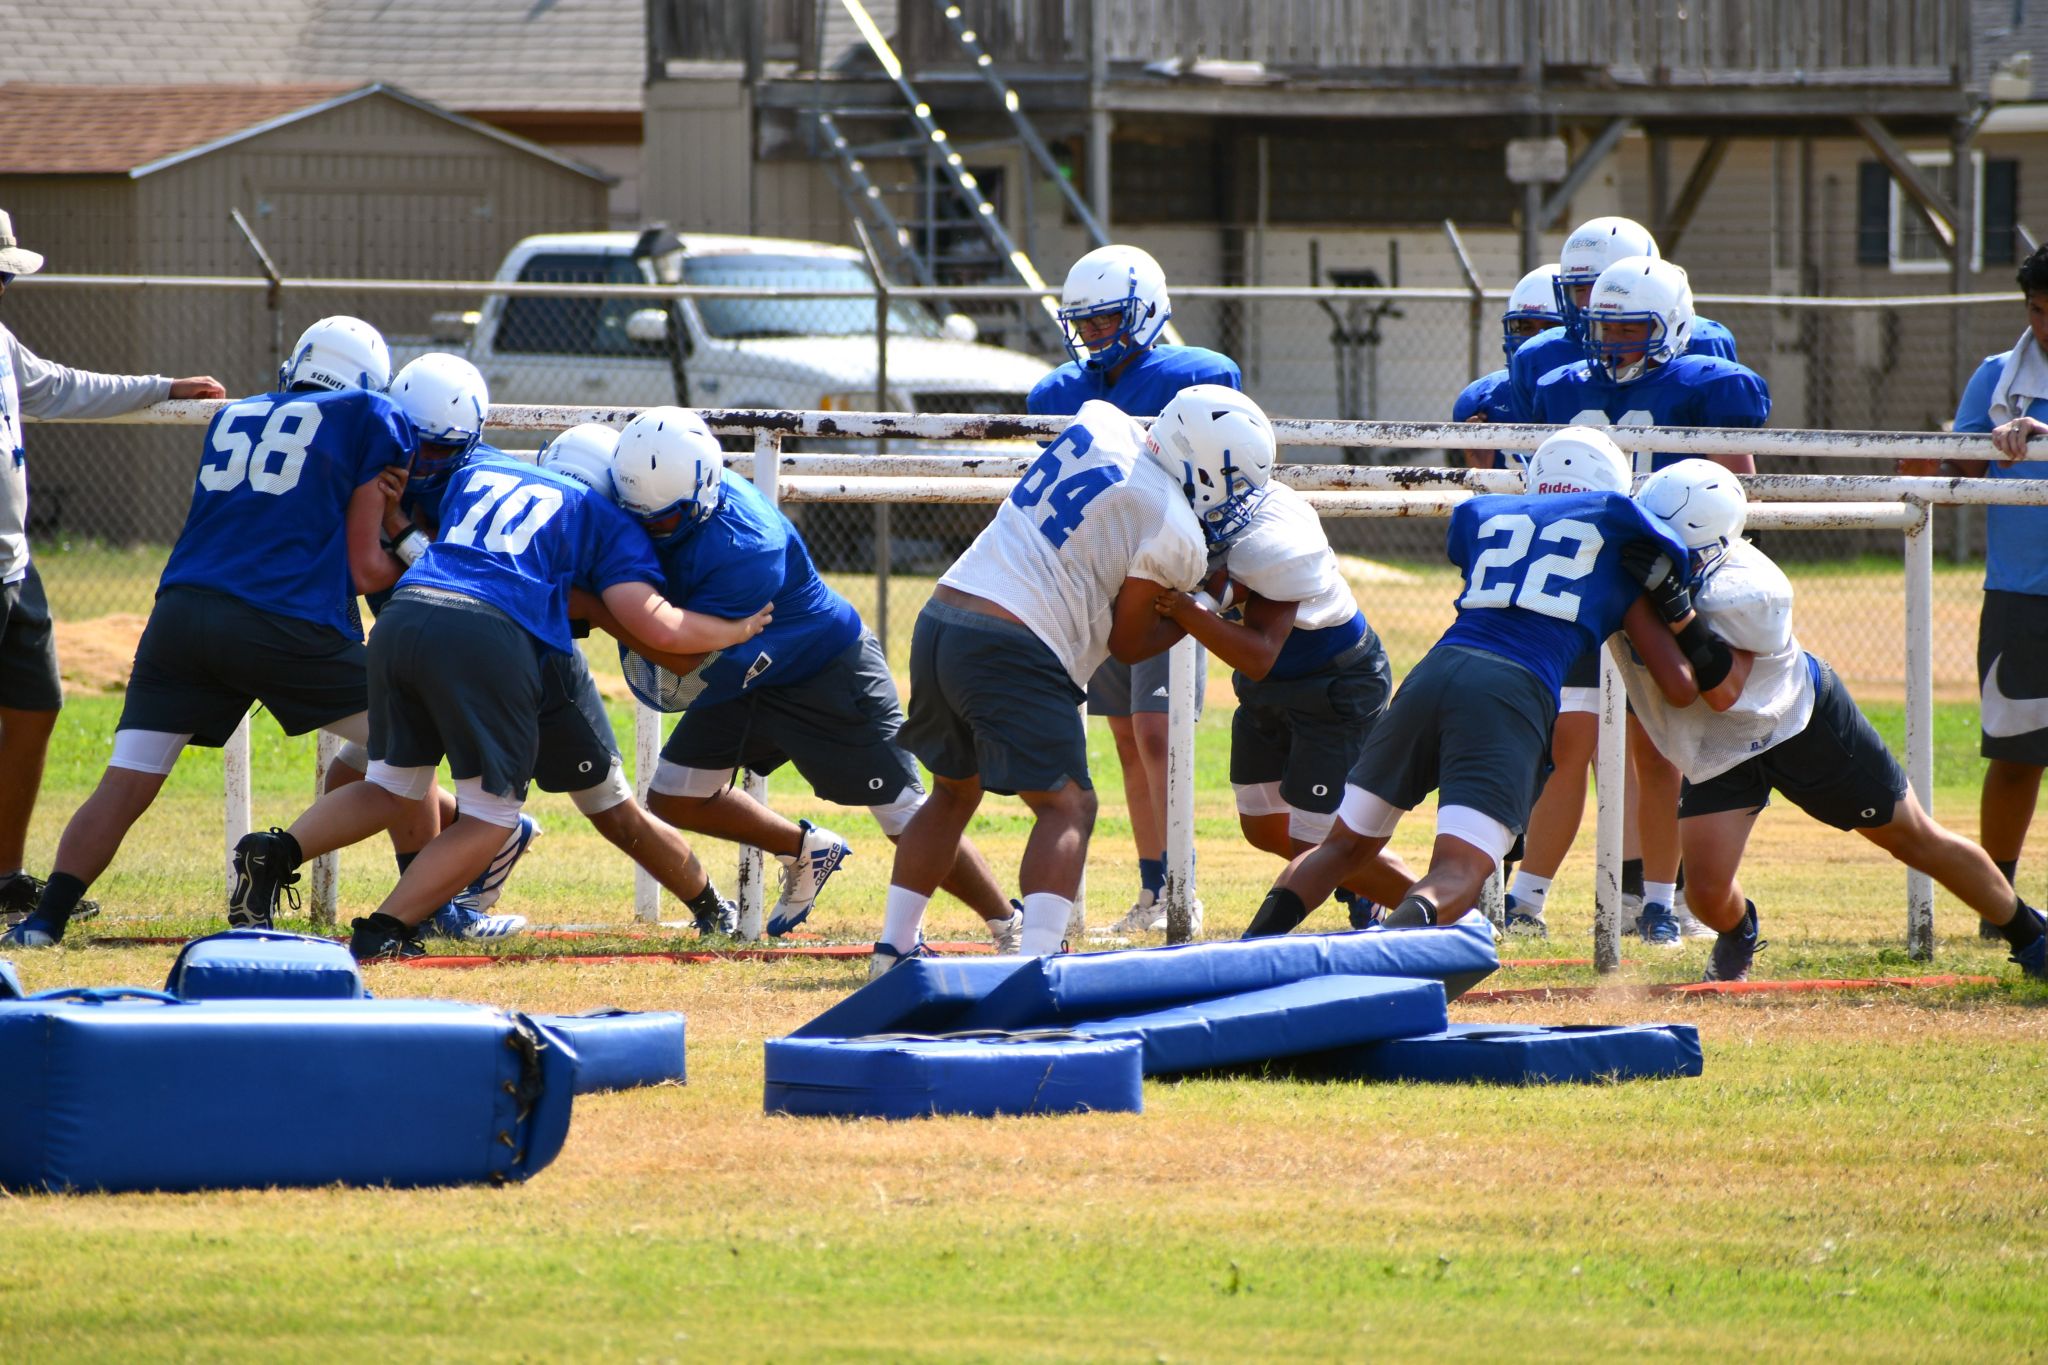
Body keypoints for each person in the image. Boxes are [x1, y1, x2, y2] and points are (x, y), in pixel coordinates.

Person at [223, 426, 772, 961]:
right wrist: (737, 630)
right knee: (504, 815)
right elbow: (658, 632)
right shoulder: (602, 517)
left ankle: (275, 850)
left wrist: (395, 521)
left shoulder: (481, 468)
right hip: (499, 646)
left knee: (390, 784)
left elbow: (440, 545)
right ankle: (387, 928)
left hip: (406, 617)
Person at [3, 316, 405, 947]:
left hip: (182, 610)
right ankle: (425, 898)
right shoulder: (369, 415)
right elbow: (365, 558)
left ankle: (44, 922)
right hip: (281, 618)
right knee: (409, 739)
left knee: (126, 780)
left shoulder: (235, 413)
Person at [582, 407, 1020, 949]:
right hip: (744, 670)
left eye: (664, 520)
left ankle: (1008, 923)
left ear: (703, 494)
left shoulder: (748, 549)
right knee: (674, 796)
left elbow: (680, 663)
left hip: (823, 667)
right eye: (636, 516)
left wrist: (596, 605)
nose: (649, 529)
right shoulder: (656, 498)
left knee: (906, 816)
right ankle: (805, 849)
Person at [329, 387, 746, 942]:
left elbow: (608, 612)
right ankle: (437, 900)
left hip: (536, 670)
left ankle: (709, 904)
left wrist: (397, 521)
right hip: (469, 656)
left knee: (607, 808)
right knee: (366, 774)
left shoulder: (506, 486)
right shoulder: (552, 502)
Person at [1242, 427, 1696, 936]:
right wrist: (1679, 607)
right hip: (1511, 691)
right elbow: (1679, 687)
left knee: (1341, 847)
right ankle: (1389, 955)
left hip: (1435, 671)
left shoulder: (1491, 514)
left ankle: (1245, 953)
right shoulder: (1621, 542)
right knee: (1458, 870)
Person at [1614, 460, 2047, 982]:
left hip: (1798, 722)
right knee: (1705, 894)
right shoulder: (1634, 572)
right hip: (1720, 744)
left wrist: (1679, 612)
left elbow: (1725, 691)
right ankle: (1739, 931)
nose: (1658, 553)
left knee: (1913, 838)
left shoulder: (1748, 587)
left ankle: (2029, 934)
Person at [873, 394, 1208, 976]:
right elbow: (1129, 644)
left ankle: (893, 949)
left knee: (952, 793)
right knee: (1067, 806)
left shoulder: (1102, 419)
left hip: (943, 614)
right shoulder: (1174, 524)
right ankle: (1036, 966)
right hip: (1014, 639)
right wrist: (1201, 610)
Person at [1531, 255, 1771, 946]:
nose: (1613, 342)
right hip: (1584, 576)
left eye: (1631, 327)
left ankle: (1661, 902)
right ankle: (1528, 896)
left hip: (1662, 580)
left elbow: (1738, 494)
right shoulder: (1557, 383)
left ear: (1672, 325)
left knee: (1661, 750)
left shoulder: (1710, 385)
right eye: (1604, 327)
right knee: (1565, 737)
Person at [0, 209, 227, 928]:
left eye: (6, 276)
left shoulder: (2, 343)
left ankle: (5, 876)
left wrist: (162, 386)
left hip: (14, 565)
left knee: (37, 706)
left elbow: (61, 386)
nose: (3, 286)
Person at [1029, 243, 1242, 936]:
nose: (1093, 334)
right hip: (1102, 575)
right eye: (1083, 322)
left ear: (1145, 312)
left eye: (1106, 319)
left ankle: (1183, 887)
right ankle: (1153, 889)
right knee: (1125, 734)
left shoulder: (1198, 377)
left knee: (1157, 730)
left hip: (1170, 572)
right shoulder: (1056, 393)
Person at [1142, 389, 1411, 931]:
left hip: (1332, 682)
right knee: (1263, 826)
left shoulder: (1276, 536)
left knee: (1317, 842)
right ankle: (1360, 880)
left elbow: (1259, 653)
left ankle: (1439, 905)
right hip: (1273, 684)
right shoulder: (1210, 504)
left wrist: (1186, 610)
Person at [1915, 242, 2048, 941]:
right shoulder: (1998, 376)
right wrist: (1962, 454)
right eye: (2037, 310)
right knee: (2016, 754)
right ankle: (2001, 908)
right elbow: (1957, 468)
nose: (2045, 325)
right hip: (2019, 593)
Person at [1507, 214, 1739, 424]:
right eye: (1578, 288)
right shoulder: (1537, 355)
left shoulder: (1702, 339)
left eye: (1599, 286)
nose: (1587, 303)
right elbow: (1533, 447)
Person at [1455, 264, 1560, 470]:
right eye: (1526, 327)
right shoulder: (1483, 402)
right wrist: (1482, 474)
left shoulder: (1597, 391)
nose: (1534, 341)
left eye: (1551, 329)